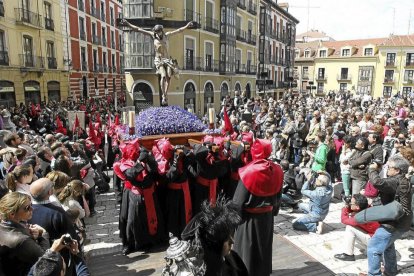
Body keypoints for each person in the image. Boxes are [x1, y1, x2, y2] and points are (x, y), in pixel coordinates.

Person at [233, 139, 283, 276]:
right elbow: (278, 196)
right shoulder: (277, 169)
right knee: (263, 248)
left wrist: (235, 220)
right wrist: (273, 212)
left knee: (246, 251)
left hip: (248, 219)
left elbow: (237, 202)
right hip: (266, 217)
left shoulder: (248, 172)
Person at [361, 155, 413, 276]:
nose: (387, 169)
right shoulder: (404, 179)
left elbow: (377, 182)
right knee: (388, 245)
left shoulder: (394, 181)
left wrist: (372, 169)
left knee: (373, 247)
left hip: (393, 223)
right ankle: (391, 271)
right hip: (403, 221)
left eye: (389, 167)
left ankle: (374, 274)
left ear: (397, 170)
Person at [122, 19, 194, 105]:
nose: (157, 33)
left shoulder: (167, 35)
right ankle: (163, 95)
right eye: (155, 32)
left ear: (161, 31)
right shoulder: (153, 36)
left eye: (158, 32)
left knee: (169, 76)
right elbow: (139, 29)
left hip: (167, 60)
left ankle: (165, 94)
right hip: (159, 60)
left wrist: (187, 26)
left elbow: (179, 31)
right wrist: (128, 24)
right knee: (163, 76)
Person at [180, 198, 248, 276]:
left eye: (231, 235)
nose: (232, 241)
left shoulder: (234, 259)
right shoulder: (200, 272)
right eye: (226, 239)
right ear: (215, 245)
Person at [0, 192, 50, 276]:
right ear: (12, 214)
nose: (32, 209)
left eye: (31, 205)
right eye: (27, 208)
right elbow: (46, 260)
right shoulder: (22, 240)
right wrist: (43, 235)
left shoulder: (4, 223)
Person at [334, 194, 380, 261]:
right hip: (379, 238)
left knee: (350, 228)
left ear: (357, 206)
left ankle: (348, 255)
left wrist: (345, 208)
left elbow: (344, 220)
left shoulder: (361, 217)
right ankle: (368, 249)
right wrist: (350, 207)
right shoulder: (368, 208)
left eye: (351, 203)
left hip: (375, 242)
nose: (350, 204)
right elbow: (355, 209)